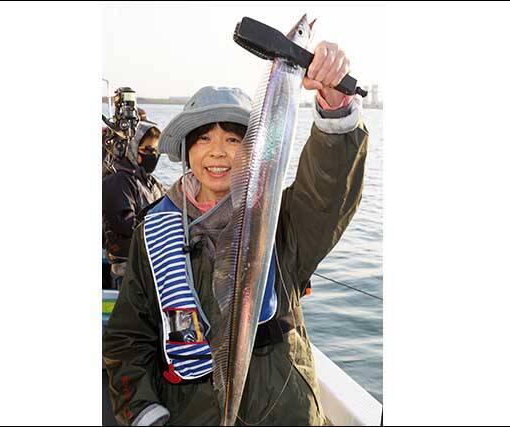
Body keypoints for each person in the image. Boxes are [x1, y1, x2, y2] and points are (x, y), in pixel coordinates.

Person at [103, 40, 369, 425]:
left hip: (284, 411)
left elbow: (327, 192)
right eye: (204, 139)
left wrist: (336, 110)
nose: (218, 152)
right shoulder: (153, 231)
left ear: (253, 150)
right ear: (187, 150)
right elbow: (127, 339)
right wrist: (144, 412)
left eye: (233, 139)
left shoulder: (280, 220)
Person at [102, 120, 167, 289]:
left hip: (151, 265)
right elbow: (124, 224)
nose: (153, 155)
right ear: (132, 148)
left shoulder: (151, 182)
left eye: (156, 151)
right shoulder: (118, 181)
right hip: (128, 272)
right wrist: (162, 231)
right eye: (148, 150)